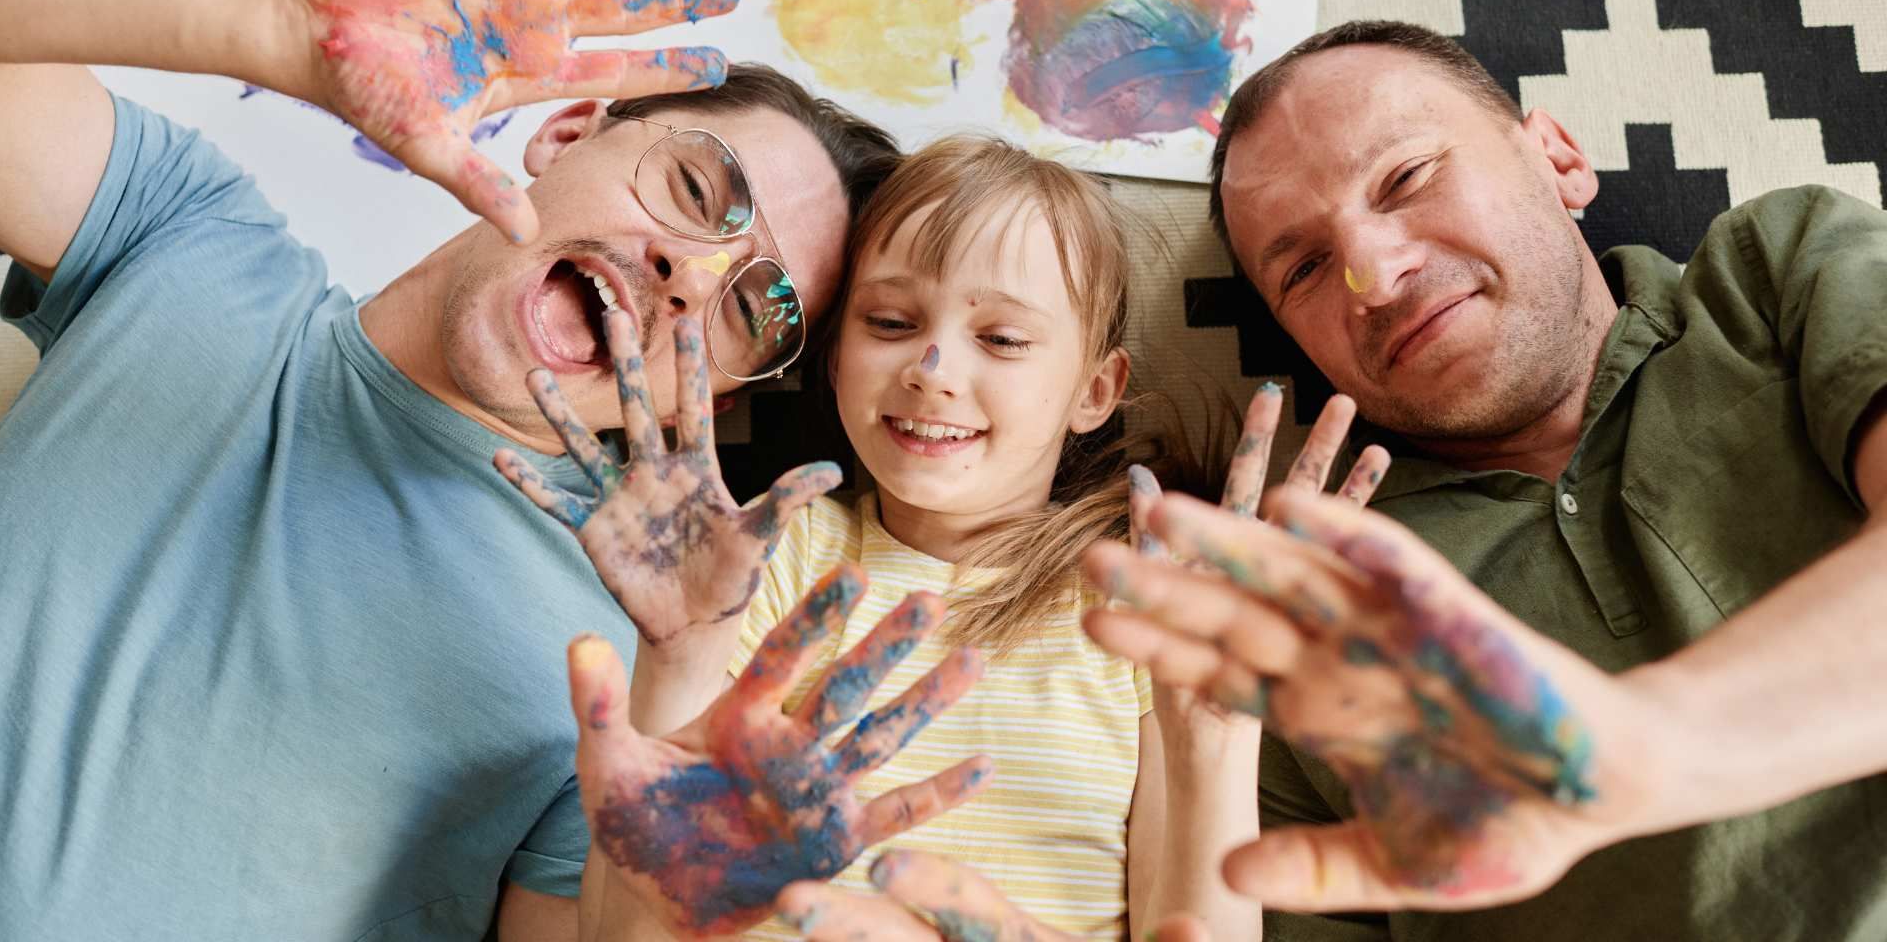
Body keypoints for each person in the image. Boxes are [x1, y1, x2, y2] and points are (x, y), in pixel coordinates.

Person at [0, 0, 901, 940]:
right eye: (696, 190)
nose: (690, 273)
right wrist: (277, 15)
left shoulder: (615, 677)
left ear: (724, 393)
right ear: (569, 132)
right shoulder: (184, 234)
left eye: (753, 306)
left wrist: (677, 717)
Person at [1079, 19, 1887, 941]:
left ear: (1558, 157)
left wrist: (1635, 751)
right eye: (1305, 269)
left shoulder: (1779, 269)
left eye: (1407, 179)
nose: (1374, 276)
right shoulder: (1303, 615)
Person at [506, 137, 1391, 940]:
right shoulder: (759, 556)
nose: (933, 372)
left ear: (1096, 390)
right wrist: (679, 661)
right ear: (837, 355)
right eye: (890, 324)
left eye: (1001, 339)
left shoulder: (1147, 609)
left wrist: (1215, 744)